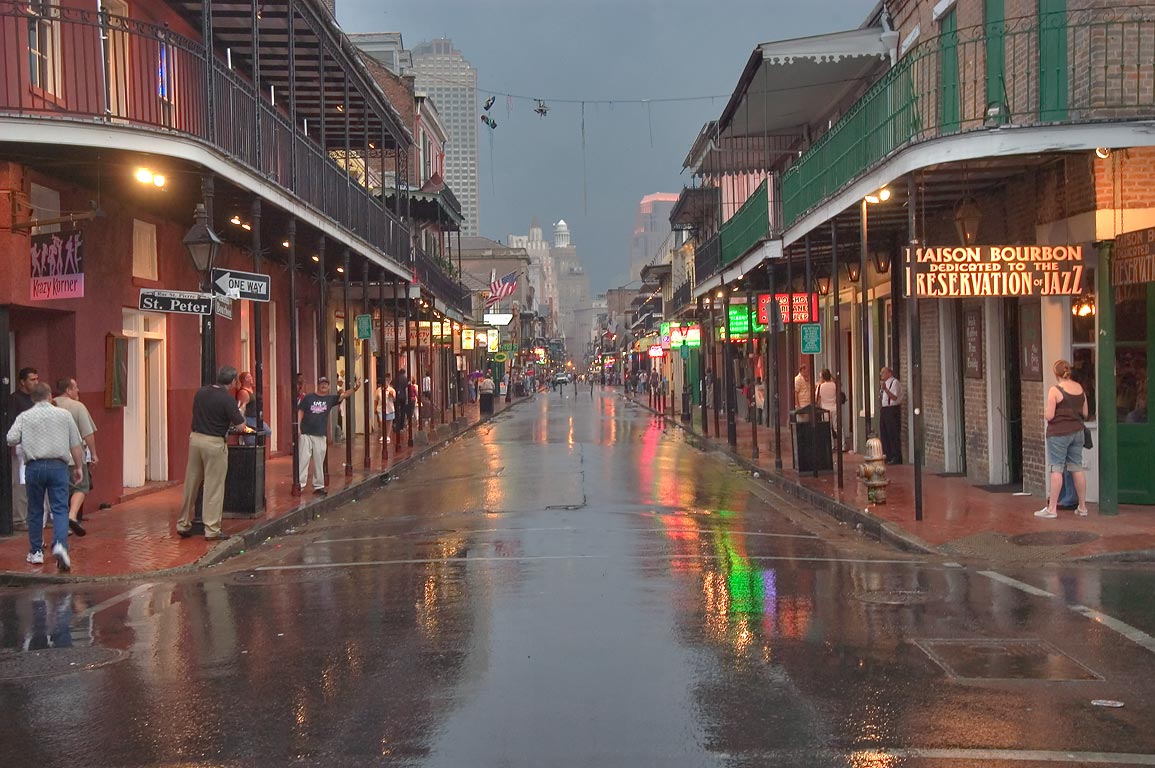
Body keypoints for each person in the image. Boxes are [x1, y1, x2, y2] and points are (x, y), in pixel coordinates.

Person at [8, 382, 85, 571]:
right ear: (50, 396)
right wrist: (78, 467)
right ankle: (60, 545)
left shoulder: (25, 416)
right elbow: (75, 443)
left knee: (35, 509)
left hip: (33, 466)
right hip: (58, 465)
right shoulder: (64, 415)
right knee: (59, 508)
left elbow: (11, 438)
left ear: (32, 398)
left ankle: (36, 552)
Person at [177, 366, 248, 540]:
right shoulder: (227, 399)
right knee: (213, 486)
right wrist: (242, 410)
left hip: (196, 439)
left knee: (191, 483)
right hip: (214, 443)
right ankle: (212, 528)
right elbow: (240, 426)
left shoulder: (200, 393)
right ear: (232, 382)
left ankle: (183, 523)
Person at [1037, 359, 1089, 519]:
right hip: (1077, 432)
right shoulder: (1080, 388)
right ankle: (1082, 507)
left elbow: (1050, 415)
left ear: (1056, 374)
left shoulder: (1055, 390)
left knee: (1056, 469)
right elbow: (1086, 414)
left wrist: (1046, 410)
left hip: (1059, 434)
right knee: (1077, 468)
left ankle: (1052, 508)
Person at [297, 375, 360, 495]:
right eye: (322, 383)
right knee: (303, 459)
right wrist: (299, 427)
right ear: (318, 384)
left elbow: (344, 395)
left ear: (329, 386)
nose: (324, 385)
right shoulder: (308, 398)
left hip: (320, 434)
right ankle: (300, 485)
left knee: (319, 461)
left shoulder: (330, 399)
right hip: (306, 433)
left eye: (326, 383)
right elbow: (300, 410)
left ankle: (319, 486)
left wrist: (355, 388)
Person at [53, 377, 99, 536]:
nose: (78, 390)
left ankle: (62, 525)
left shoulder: (51, 405)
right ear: (68, 390)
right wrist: (93, 454)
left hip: (54, 458)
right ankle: (72, 516)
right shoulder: (78, 407)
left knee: (61, 492)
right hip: (75, 456)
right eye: (76, 387)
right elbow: (88, 433)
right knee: (81, 487)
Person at [8, 367, 38, 530]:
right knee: (20, 483)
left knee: (33, 482)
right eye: (32, 380)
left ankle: (32, 516)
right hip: (20, 447)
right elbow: (12, 423)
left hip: (35, 447)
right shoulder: (15, 399)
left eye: (36, 379)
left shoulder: (35, 399)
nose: (35, 382)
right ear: (22, 382)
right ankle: (19, 518)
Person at [235, 371, 272, 446]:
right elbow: (241, 408)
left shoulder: (252, 390)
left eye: (251, 376)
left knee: (267, 431)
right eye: (248, 377)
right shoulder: (243, 392)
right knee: (251, 441)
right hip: (248, 418)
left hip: (256, 417)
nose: (251, 378)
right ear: (244, 380)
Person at [879, 366, 903, 464]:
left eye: (883, 372)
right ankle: (887, 455)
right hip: (884, 410)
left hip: (892, 410)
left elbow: (894, 397)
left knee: (892, 433)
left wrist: (885, 389)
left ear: (889, 373)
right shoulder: (884, 384)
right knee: (884, 433)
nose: (881, 375)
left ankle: (896, 456)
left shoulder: (895, 383)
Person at [393, 368, 410, 436]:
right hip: (403, 397)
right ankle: (401, 426)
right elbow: (407, 387)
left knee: (396, 411)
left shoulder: (395, 378)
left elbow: (392, 385)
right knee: (403, 411)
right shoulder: (405, 379)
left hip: (397, 396)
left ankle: (396, 424)